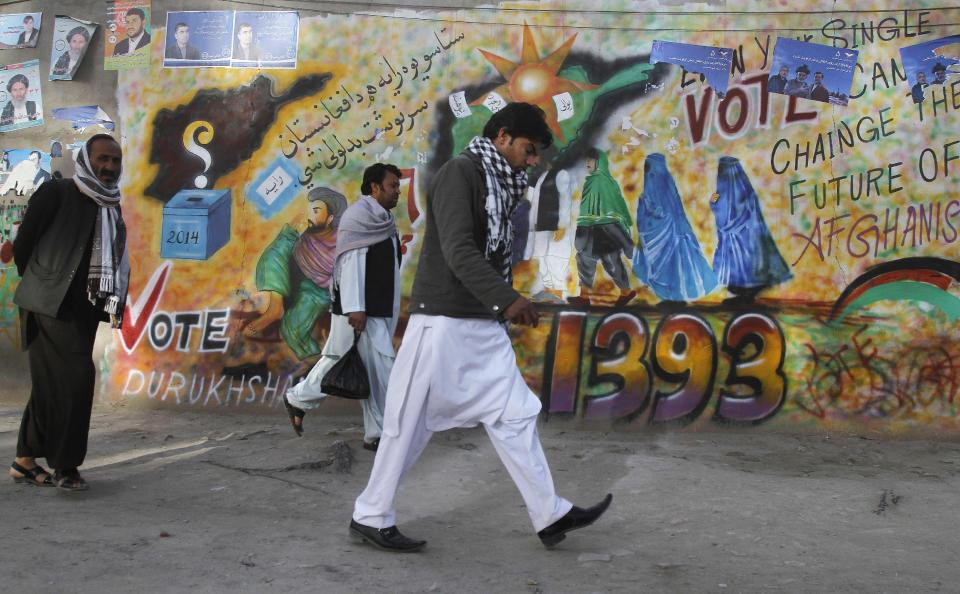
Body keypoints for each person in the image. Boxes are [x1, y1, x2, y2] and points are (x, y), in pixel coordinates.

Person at [350, 102, 612, 552]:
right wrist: (509, 300)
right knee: (406, 425)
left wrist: (500, 304)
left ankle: (549, 513)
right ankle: (371, 513)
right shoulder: (461, 173)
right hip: (444, 322)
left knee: (514, 415)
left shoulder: (500, 184)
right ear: (504, 136)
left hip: (481, 325)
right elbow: (458, 250)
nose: (532, 162)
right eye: (529, 150)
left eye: (536, 157)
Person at [9, 134, 129, 492]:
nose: (109, 167)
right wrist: (43, 281)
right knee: (77, 380)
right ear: (86, 160)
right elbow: (24, 244)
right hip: (47, 303)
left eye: (115, 161)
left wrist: (111, 302)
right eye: (103, 159)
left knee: (50, 384)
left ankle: (24, 462)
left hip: (83, 311)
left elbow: (115, 257)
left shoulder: (110, 204)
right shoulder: (58, 193)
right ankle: (66, 466)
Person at [283, 164, 403, 451]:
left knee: (352, 363)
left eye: (398, 186)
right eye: (392, 186)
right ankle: (383, 434)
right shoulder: (359, 218)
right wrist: (355, 309)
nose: (398, 191)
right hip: (360, 312)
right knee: (379, 367)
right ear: (374, 187)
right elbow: (350, 265)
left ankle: (300, 400)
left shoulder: (382, 219)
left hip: (375, 308)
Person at [245, 186, 346, 359]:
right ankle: (275, 307)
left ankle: (316, 367)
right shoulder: (309, 234)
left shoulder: (341, 242)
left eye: (316, 211)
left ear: (330, 218)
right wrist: (291, 230)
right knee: (275, 252)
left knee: (292, 330)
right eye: (310, 210)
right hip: (299, 273)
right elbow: (289, 248)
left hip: (319, 290)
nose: (309, 215)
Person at [632, 153, 717, 305]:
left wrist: (653, 211)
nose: (648, 174)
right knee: (670, 266)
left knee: (675, 265)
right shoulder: (660, 186)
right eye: (647, 170)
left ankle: (675, 297)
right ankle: (671, 297)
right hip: (663, 233)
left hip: (672, 234)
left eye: (650, 169)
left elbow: (668, 211)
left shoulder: (664, 185)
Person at [710, 156, 792, 303]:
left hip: (739, 242)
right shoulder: (745, 190)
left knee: (742, 267)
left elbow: (720, 209)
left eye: (721, 170)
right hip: (743, 240)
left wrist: (714, 202)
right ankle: (744, 293)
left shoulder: (730, 190)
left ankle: (745, 293)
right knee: (743, 267)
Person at [571, 148, 636, 307]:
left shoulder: (601, 181)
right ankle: (585, 295)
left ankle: (626, 292)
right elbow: (590, 207)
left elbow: (615, 205)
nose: (588, 163)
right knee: (586, 260)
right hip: (593, 229)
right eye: (587, 160)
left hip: (604, 230)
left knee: (610, 261)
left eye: (591, 160)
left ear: (599, 162)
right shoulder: (597, 181)